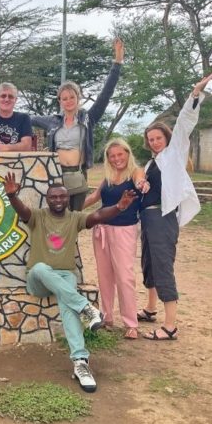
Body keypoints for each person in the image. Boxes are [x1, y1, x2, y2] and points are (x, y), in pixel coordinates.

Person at [4, 175, 137, 393]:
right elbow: (23, 211)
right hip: (38, 280)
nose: (57, 199)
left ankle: (80, 362)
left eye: (62, 196)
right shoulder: (38, 216)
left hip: (65, 277)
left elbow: (98, 215)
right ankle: (86, 308)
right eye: (53, 196)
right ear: (47, 200)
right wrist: (12, 196)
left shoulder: (74, 218)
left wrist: (119, 208)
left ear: (68, 199)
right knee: (39, 268)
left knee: (68, 304)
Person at [138, 73, 212, 341]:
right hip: (146, 220)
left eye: (158, 138)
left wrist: (194, 95)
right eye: (151, 139)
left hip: (163, 218)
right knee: (148, 263)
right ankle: (150, 308)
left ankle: (170, 326)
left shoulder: (174, 154)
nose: (155, 142)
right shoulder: (151, 164)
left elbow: (184, 124)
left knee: (162, 265)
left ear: (166, 138)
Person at [31, 38, 125, 210]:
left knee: (74, 220)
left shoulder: (88, 119)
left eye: (72, 97)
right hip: (56, 175)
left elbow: (106, 94)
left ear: (78, 97)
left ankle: (73, 239)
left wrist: (117, 62)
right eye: (64, 98)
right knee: (56, 219)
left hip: (78, 175)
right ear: (60, 101)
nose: (68, 101)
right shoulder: (52, 121)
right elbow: (26, 119)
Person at [82, 138, 150, 340]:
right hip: (101, 229)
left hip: (124, 229)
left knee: (124, 276)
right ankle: (107, 316)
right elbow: (94, 197)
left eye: (120, 154)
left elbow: (141, 181)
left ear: (128, 154)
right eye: (112, 156)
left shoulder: (135, 172)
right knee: (104, 275)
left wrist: (142, 184)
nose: (116, 159)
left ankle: (131, 323)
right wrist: (70, 211)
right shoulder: (109, 176)